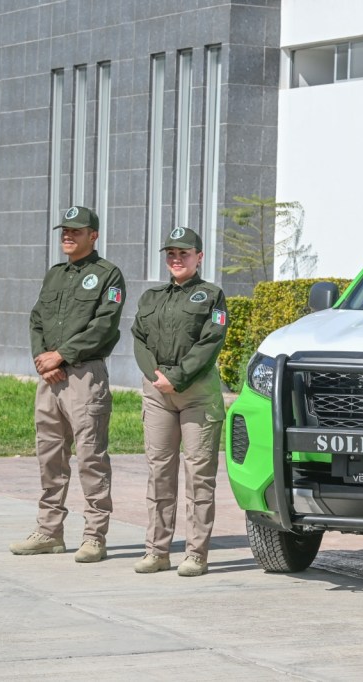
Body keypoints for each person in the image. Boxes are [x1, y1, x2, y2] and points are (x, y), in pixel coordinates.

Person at [11, 206, 125, 562]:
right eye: (65, 230)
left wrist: (61, 355)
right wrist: (43, 361)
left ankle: (94, 536)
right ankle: (49, 531)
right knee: (50, 456)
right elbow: (36, 319)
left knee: (90, 457)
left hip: (84, 376)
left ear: (93, 235)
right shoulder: (55, 274)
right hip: (51, 378)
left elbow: (104, 326)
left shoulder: (108, 275)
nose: (67, 236)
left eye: (76, 231)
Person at [131, 227, 227, 577]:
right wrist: (155, 374)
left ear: (199, 257)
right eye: (171, 253)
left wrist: (178, 376)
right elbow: (138, 337)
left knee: (199, 475)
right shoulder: (151, 297)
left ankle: (196, 554)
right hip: (158, 392)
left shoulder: (211, 295)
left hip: (197, 393)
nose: (176, 258)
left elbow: (210, 341)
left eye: (183, 253)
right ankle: (157, 551)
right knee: (159, 473)